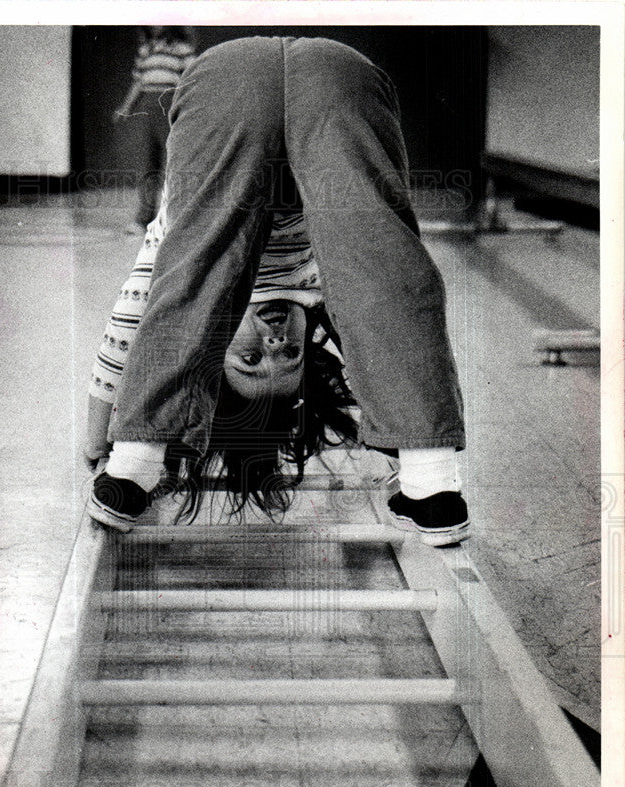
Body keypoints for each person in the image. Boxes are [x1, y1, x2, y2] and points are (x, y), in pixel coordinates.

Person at [87, 36, 470, 546]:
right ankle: (434, 483)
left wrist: (99, 444)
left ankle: (135, 462)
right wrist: (403, 445)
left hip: (227, 82)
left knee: (190, 278)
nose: (272, 342)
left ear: (214, 351)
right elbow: (393, 333)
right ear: (310, 347)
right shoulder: (328, 295)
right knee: (383, 272)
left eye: (248, 358)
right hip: (339, 77)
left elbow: (123, 342)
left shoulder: (198, 296)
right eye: (289, 354)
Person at [113, 27, 197, 232]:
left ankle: (176, 219)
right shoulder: (146, 50)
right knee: (147, 163)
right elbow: (138, 82)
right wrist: (126, 107)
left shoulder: (181, 49)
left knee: (174, 162)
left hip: (170, 103)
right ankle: (144, 219)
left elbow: (192, 79)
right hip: (147, 107)